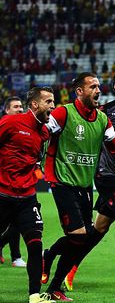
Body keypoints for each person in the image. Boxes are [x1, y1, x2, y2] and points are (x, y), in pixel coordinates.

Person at [41, 73, 115, 302]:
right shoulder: (67, 112)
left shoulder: (105, 118)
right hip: (80, 179)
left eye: (98, 87)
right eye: (92, 86)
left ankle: (53, 261)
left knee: (90, 233)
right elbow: (43, 134)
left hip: (90, 184)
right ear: (80, 91)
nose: (97, 90)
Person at [0, 88, 55, 303]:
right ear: (34, 105)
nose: (52, 106)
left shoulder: (44, 133)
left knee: (35, 243)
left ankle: (34, 295)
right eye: (48, 101)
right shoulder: (10, 123)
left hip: (27, 197)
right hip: (3, 195)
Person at [0, 96, 28, 268]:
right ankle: (14, 255)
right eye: (15, 107)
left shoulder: (23, 128)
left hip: (19, 184)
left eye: (21, 107)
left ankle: (15, 255)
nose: (20, 109)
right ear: (6, 110)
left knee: (16, 220)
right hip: (4, 183)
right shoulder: (5, 126)